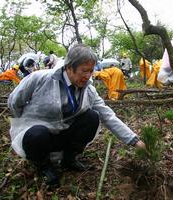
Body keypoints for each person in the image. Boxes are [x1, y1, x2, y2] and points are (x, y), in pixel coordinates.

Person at [8, 44, 146, 186]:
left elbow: (107, 116)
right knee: (37, 133)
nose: (88, 76)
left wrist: (135, 140)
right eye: (84, 71)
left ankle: (69, 158)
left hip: (63, 132)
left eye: (91, 71)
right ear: (69, 68)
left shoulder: (88, 89)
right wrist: (25, 122)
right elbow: (14, 102)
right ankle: (44, 166)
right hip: (38, 135)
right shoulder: (40, 78)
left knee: (92, 117)